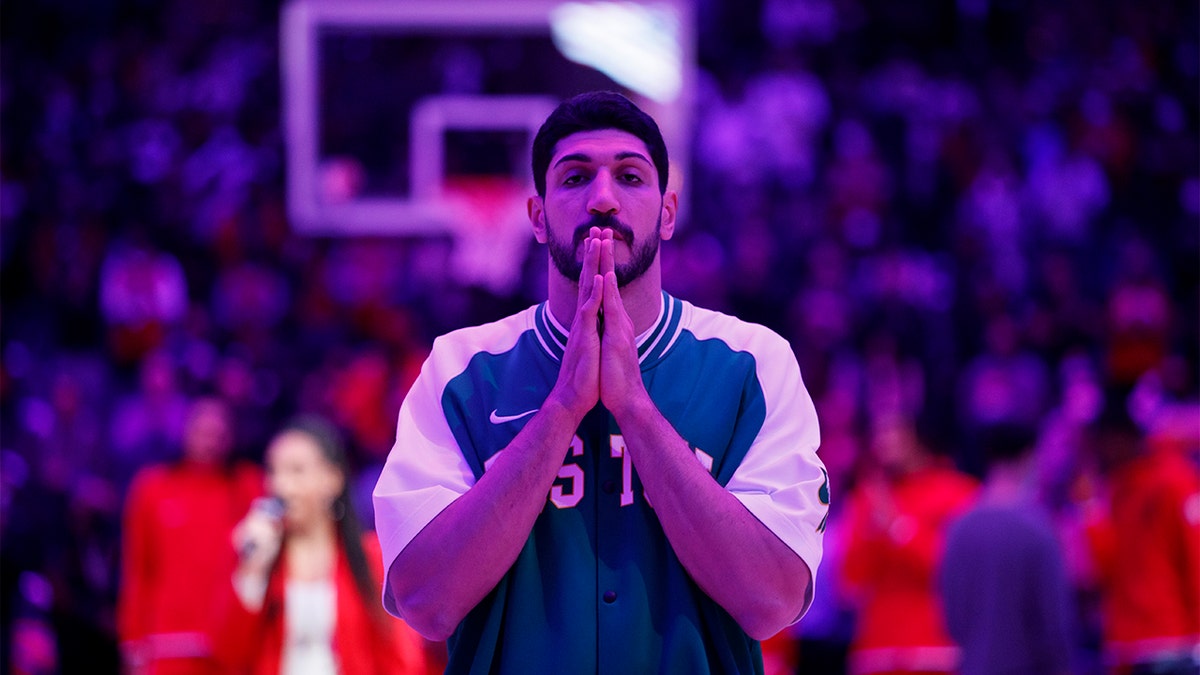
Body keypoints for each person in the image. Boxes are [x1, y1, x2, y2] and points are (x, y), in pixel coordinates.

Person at [373, 90, 829, 674]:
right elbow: (425, 602)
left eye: (631, 177)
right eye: (575, 178)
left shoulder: (753, 363)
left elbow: (773, 600)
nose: (603, 199)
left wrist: (634, 407)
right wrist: (562, 407)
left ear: (667, 212)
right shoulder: (459, 367)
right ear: (537, 217)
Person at [212, 415, 429, 675]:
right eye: (272, 471)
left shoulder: (370, 557)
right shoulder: (260, 556)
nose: (280, 485)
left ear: (332, 480)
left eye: (296, 471)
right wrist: (252, 572)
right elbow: (227, 659)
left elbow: (402, 660)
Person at [117, 395, 264, 675]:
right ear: (185, 430)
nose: (210, 440)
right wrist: (131, 638)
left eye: (219, 433)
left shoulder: (248, 488)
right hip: (166, 646)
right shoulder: (152, 488)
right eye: (202, 431)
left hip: (230, 649)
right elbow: (137, 568)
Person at [840, 412, 978, 675]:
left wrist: (897, 527)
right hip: (875, 653)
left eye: (893, 432)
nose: (883, 442)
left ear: (918, 437)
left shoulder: (957, 492)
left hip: (933, 651)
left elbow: (951, 569)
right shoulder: (867, 497)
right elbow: (850, 582)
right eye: (879, 434)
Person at [939, 422, 1074, 675]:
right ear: (1028, 456)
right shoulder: (1038, 528)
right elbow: (1053, 621)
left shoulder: (958, 527)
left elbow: (951, 618)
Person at [1081, 391, 1199, 675]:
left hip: (1172, 643)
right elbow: (1101, 567)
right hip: (1124, 644)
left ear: (1125, 437)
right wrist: (1089, 509)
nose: (1099, 451)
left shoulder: (1176, 480)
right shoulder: (1111, 489)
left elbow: (1196, 557)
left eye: (1104, 441)